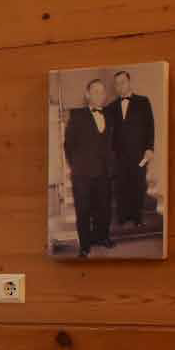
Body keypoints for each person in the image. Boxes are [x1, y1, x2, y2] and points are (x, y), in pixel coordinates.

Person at [63, 78, 116, 256]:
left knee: (104, 209)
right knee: (83, 211)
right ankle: (85, 246)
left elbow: (113, 144)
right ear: (87, 95)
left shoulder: (110, 116)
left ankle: (102, 237)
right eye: (96, 91)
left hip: (104, 173)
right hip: (82, 175)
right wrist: (77, 166)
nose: (100, 95)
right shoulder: (77, 116)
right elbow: (68, 145)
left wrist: (111, 166)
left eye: (102, 92)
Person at [104, 70, 155, 227]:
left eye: (123, 82)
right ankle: (123, 217)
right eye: (117, 84)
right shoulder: (110, 107)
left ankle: (137, 217)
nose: (120, 86)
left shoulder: (143, 102)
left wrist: (149, 148)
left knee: (138, 184)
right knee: (121, 186)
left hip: (139, 154)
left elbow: (150, 126)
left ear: (129, 82)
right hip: (119, 155)